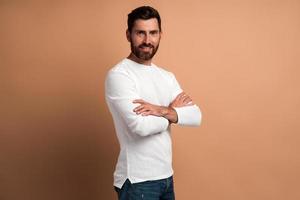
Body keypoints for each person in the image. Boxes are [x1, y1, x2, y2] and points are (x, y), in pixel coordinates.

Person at [105, 6, 202, 200]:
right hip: (137, 181)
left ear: (160, 35)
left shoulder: (166, 76)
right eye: (140, 33)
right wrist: (173, 114)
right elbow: (140, 126)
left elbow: (196, 116)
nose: (147, 40)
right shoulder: (120, 75)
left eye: (153, 33)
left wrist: (160, 110)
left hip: (166, 177)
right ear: (128, 35)